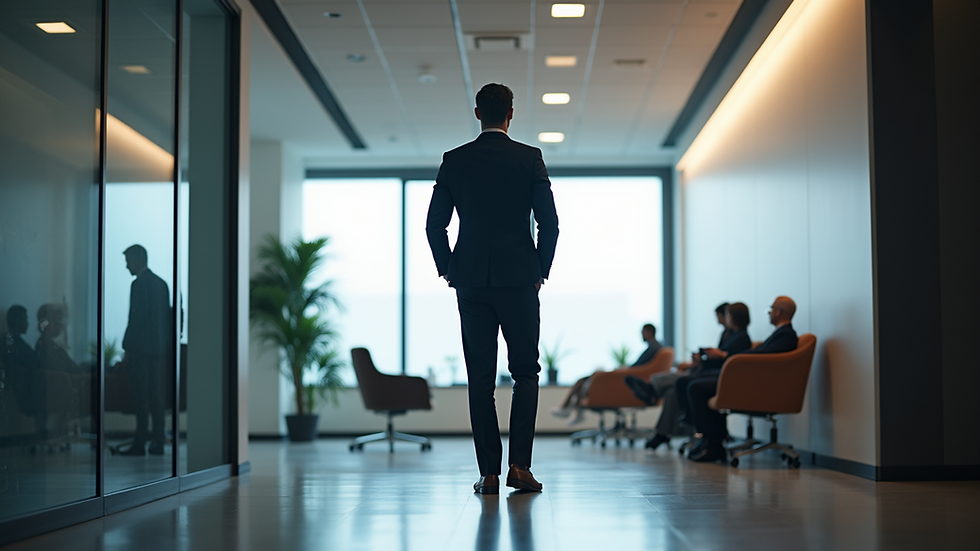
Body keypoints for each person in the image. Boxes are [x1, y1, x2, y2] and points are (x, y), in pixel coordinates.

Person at [426, 83, 559, 495]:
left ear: (478, 113)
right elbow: (549, 224)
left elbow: (435, 225)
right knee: (526, 373)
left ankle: (488, 474)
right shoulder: (529, 158)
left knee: (479, 379)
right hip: (520, 279)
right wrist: (540, 269)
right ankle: (519, 467)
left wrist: (450, 269)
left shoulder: (454, 160)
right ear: (511, 113)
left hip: (471, 283)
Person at [685, 296, 799, 462]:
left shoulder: (786, 335)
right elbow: (761, 353)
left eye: (771, 309)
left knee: (696, 387)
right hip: (753, 381)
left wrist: (730, 355)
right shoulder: (780, 334)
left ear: (779, 312)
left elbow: (763, 355)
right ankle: (711, 440)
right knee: (696, 384)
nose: (769, 313)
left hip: (760, 387)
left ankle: (713, 443)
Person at [624, 303, 748, 450]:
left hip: (716, 377)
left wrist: (718, 355)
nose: (723, 319)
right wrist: (702, 359)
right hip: (708, 371)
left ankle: (652, 389)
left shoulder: (741, 338)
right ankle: (662, 433)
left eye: (726, 316)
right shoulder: (727, 335)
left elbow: (729, 362)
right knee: (671, 393)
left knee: (681, 380)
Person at [551, 323, 662, 424]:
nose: (641, 335)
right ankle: (571, 409)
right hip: (628, 377)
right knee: (584, 380)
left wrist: (622, 370)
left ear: (649, 332)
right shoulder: (656, 348)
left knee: (591, 377)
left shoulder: (653, 348)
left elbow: (637, 369)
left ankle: (568, 408)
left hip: (627, 382)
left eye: (642, 332)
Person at [120, 245, 172, 456]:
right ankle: (158, 442)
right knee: (156, 396)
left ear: (139, 259)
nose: (126, 266)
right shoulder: (162, 284)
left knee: (141, 397)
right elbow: (169, 318)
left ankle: (140, 443)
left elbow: (136, 318)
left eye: (129, 261)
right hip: (158, 350)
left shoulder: (138, 285)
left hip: (141, 350)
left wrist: (127, 346)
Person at [1, 305, 47, 436]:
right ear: (16, 321)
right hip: (24, 389)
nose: (27, 323)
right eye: (24, 320)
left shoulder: (18, 342)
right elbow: (16, 371)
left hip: (32, 385)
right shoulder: (10, 343)